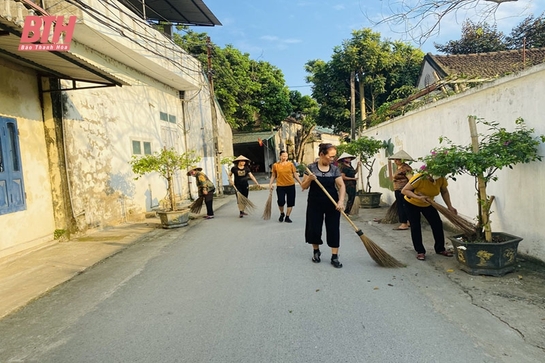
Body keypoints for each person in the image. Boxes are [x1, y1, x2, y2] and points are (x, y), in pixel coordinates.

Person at [301, 143, 346, 268]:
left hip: (332, 203)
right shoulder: (311, 168)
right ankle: (316, 251)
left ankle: (334, 256)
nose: (332, 159)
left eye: (334, 157)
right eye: (330, 156)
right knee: (314, 228)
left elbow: (341, 186)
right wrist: (309, 179)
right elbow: (303, 186)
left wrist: (341, 201)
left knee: (333, 228)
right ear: (322, 154)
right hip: (315, 203)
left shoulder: (334, 169)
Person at [401, 172, 457, 261]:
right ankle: (420, 251)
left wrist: (450, 206)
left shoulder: (441, 178)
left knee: (437, 224)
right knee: (415, 226)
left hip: (428, 203)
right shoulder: (419, 177)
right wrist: (418, 197)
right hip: (412, 203)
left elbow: (444, 191)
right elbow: (404, 190)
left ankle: (440, 249)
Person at [268, 150, 303, 223]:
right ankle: (282, 213)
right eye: (283, 156)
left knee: (290, 202)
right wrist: (270, 184)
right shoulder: (275, 165)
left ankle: (287, 216)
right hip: (280, 186)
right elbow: (273, 175)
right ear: (280, 156)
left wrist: (301, 183)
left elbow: (295, 174)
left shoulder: (291, 165)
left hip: (291, 185)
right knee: (281, 201)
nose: (285, 157)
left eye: (286, 156)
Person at [389, 150, 414, 230]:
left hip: (403, 190)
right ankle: (409, 221)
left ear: (402, 160)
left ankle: (404, 223)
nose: (395, 161)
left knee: (403, 206)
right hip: (398, 189)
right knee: (403, 206)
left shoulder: (405, 168)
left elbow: (411, 179)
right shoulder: (399, 167)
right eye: (395, 159)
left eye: (398, 159)